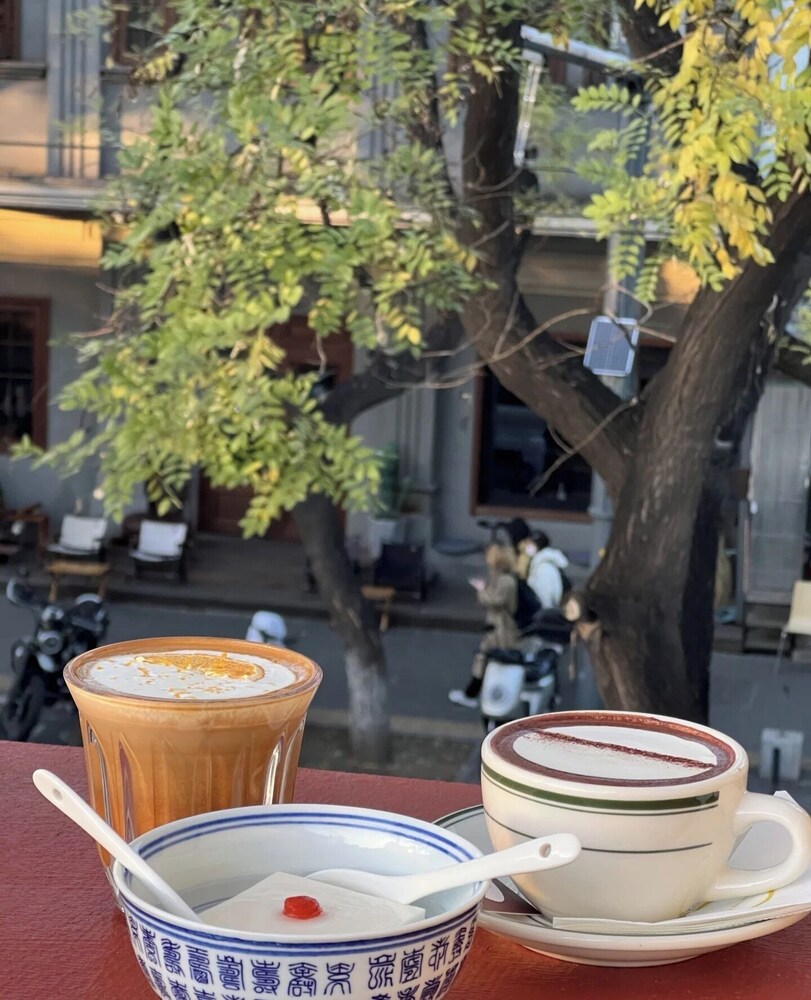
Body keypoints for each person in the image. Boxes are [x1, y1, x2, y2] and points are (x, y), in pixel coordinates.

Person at [448, 544, 521, 708]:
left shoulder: (506, 581)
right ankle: (474, 693)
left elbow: (495, 601)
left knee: (487, 660)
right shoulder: (505, 577)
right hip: (498, 627)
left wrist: (481, 590)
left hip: (500, 629)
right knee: (487, 660)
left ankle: (473, 694)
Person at [525, 531, 570, 610]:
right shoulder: (541, 563)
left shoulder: (544, 567)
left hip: (544, 611)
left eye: (529, 543)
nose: (526, 546)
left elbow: (545, 595)